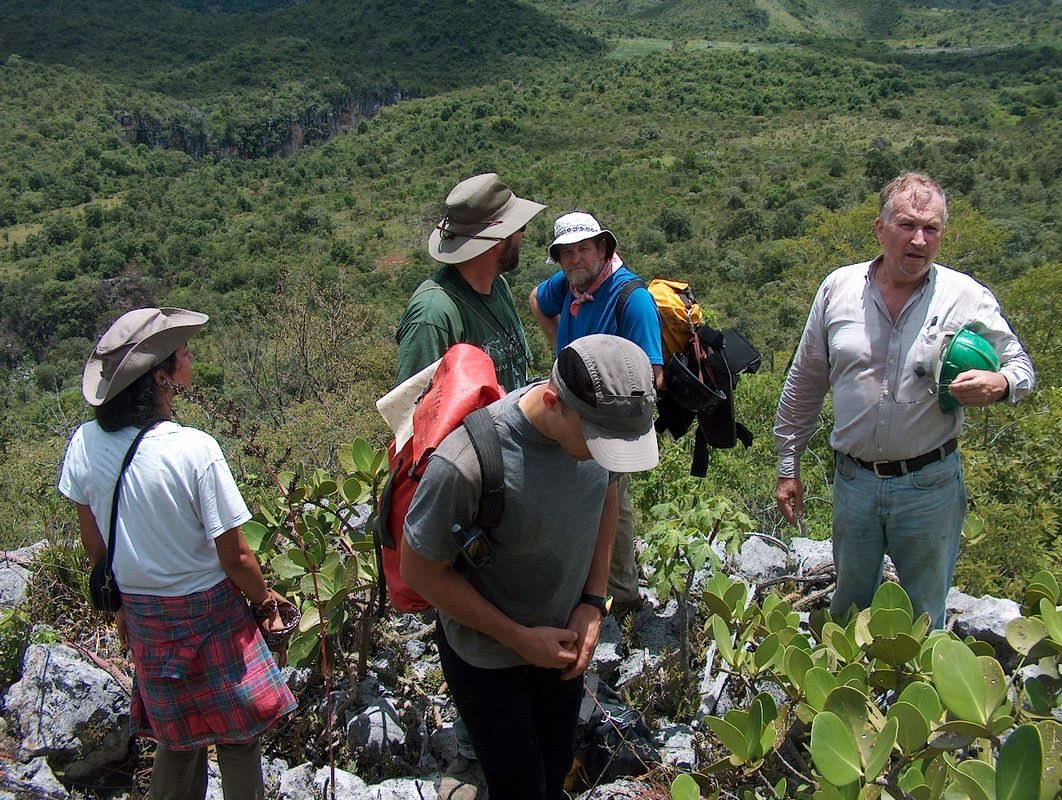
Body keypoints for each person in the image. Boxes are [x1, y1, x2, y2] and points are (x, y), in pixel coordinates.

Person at [401, 334, 658, 800]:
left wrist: (592, 602)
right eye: (599, 442)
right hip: (485, 654)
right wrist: (519, 638)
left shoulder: (601, 428)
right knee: (517, 784)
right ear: (555, 401)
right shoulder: (468, 462)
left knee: (556, 764)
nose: (608, 454)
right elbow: (420, 571)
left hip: (561, 639)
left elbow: (607, 496)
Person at [774, 172, 1035, 630]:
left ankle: (913, 698)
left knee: (923, 613)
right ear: (880, 228)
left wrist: (999, 384)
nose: (919, 239)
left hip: (929, 484)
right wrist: (787, 464)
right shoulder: (838, 289)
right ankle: (850, 696)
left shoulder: (965, 296)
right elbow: (805, 381)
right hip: (853, 482)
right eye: (907, 225)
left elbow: (1022, 369)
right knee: (850, 605)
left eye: (931, 228)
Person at [58, 308, 297, 800]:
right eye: (184, 354)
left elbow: (96, 547)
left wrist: (123, 605)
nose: (191, 358)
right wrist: (265, 599)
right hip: (212, 615)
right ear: (160, 377)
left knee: (177, 737)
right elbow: (235, 557)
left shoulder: (84, 443)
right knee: (238, 737)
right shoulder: (194, 449)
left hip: (149, 620)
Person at [529, 212, 663, 618]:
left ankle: (622, 597)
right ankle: (577, 585)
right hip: (567, 417)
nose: (575, 260)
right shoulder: (569, 285)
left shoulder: (632, 299)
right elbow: (538, 300)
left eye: (583, 249)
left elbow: (653, 376)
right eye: (566, 253)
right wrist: (562, 354)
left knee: (611, 507)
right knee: (571, 500)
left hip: (607, 424)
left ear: (603, 249)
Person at [396, 171, 546, 392]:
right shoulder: (433, 315)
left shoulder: (499, 286)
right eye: (520, 228)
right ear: (498, 241)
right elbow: (412, 416)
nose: (523, 236)